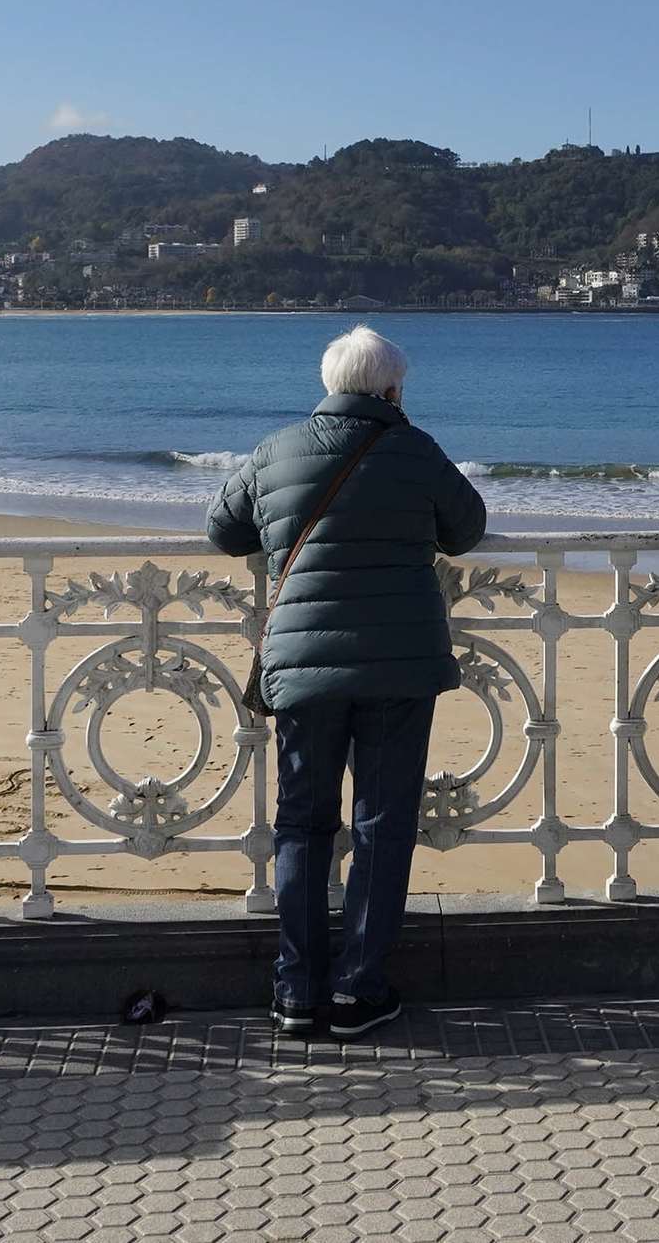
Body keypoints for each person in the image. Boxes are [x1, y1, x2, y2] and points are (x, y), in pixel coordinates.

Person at [207, 324, 487, 1040]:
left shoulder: (277, 448)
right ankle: (359, 988)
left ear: (329, 384)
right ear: (393, 388)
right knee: (381, 825)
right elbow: (467, 526)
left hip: (302, 670)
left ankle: (296, 990)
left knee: (302, 824)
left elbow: (224, 527)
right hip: (398, 669)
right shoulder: (414, 449)